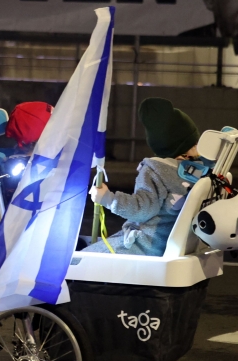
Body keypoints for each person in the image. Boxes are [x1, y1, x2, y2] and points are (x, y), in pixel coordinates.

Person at [85, 98, 199, 257]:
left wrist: (107, 198)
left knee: (80, 260)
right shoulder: (197, 174)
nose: (197, 146)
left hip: (145, 245)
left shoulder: (156, 171)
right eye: (194, 142)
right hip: (170, 244)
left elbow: (141, 210)